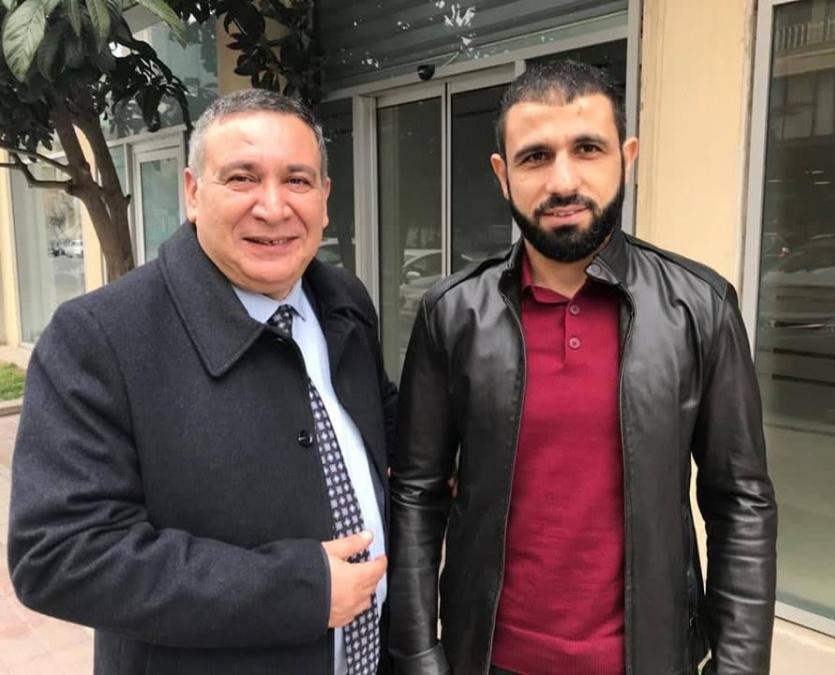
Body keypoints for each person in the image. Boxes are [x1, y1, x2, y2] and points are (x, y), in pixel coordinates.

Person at [388, 60, 777, 675]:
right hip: (487, 659)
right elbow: (416, 493)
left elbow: (740, 502)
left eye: (588, 149)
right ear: (503, 175)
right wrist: (416, 654)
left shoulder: (700, 307)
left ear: (627, 158)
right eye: (535, 157)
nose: (563, 180)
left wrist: (739, 665)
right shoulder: (453, 314)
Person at [8, 89, 396, 675]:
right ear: (192, 192)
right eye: (242, 178)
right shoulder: (100, 337)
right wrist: (298, 590)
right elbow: (60, 554)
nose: (273, 207)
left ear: (324, 197)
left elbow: (380, 422)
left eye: (297, 180)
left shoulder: (343, 300)